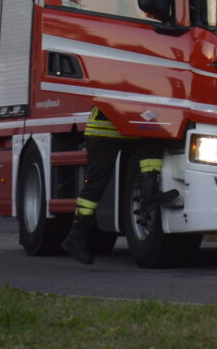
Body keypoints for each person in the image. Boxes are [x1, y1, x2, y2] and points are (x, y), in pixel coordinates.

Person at [60, 106, 173, 266]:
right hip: (102, 131)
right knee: (95, 185)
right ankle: (75, 237)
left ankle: (149, 195)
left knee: (152, 144)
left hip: (125, 129)